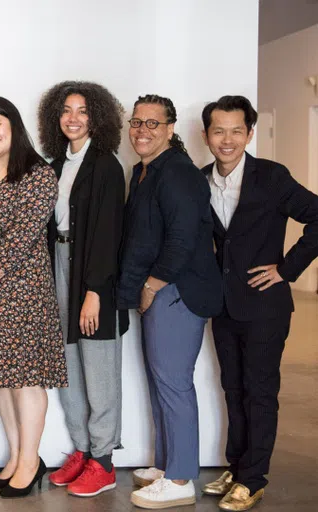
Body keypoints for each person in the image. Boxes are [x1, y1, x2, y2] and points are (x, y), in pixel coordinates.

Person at [199, 95, 318, 511]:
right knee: (233, 388)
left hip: (266, 306)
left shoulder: (271, 177)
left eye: (236, 131)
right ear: (206, 135)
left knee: (260, 391)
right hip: (224, 305)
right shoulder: (200, 180)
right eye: (219, 131)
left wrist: (286, 269)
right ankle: (238, 465)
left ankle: (254, 478)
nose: (227, 140)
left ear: (250, 133)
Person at [118, 94, 223, 509]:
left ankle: (180, 479)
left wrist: (150, 286)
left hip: (177, 291)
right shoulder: (143, 172)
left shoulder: (177, 173)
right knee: (161, 381)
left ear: (170, 129)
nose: (143, 130)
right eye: (137, 122)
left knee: (174, 384)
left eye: (153, 124)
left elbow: (181, 240)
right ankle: (166, 465)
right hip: (160, 289)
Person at [0, 96, 68, 499]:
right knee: (2, 380)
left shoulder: (38, 175)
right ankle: (14, 457)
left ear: (13, 125)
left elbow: (26, 231)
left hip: (24, 289)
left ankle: (31, 461)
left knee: (25, 380)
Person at [37, 81, 129, 497]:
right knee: (66, 363)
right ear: (55, 118)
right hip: (58, 264)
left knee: (98, 366)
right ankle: (83, 450)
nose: (73, 118)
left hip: (93, 273)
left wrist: (94, 291)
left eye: (83, 112)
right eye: (66, 111)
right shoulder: (54, 166)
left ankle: (104, 460)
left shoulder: (106, 165)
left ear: (98, 118)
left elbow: (109, 234)